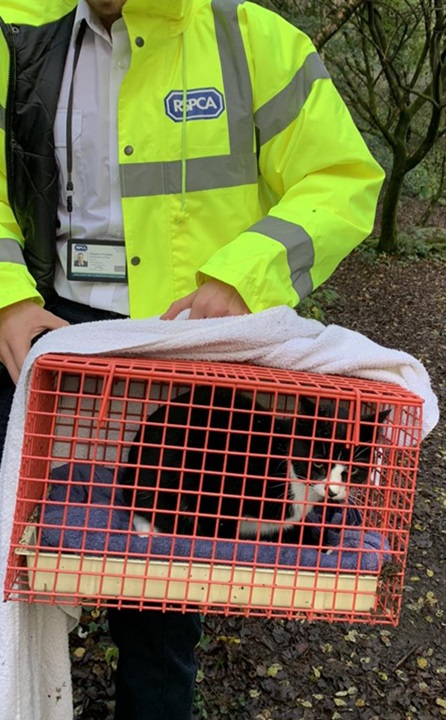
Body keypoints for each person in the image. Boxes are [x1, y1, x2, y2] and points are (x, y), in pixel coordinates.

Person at [0, 0, 384, 717]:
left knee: (160, 609)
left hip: (183, 350)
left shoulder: (251, 38)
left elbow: (342, 178)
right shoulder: (17, 29)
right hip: (46, 337)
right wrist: (6, 298)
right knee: (15, 569)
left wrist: (244, 273)